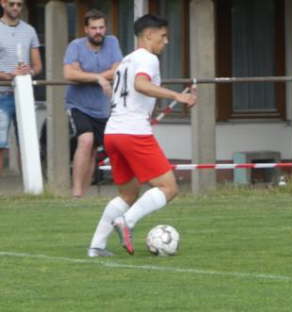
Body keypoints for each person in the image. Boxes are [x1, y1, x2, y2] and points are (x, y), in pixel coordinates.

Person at [87, 14, 196, 257]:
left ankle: (97, 246)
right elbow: (141, 84)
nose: (166, 42)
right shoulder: (148, 58)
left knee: (127, 193)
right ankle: (127, 222)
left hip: (113, 132)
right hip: (133, 132)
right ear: (148, 35)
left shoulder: (126, 60)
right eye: (163, 36)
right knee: (169, 188)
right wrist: (176, 96)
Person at [63, 9, 122, 198]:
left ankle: (84, 196)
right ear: (86, 29)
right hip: (78, 105)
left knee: (93, 150)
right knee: (85, 140)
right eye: (94, 28)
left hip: (102, 109)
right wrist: (99, 78)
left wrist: (86, 76)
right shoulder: (76, 46)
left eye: (101, 27)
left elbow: (117, 70)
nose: (98, 31)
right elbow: (69, 75)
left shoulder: (112, 42)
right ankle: (76, 194)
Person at [0, 0, 42, 175]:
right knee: (0, 144)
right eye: (12, 4)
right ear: (3, 4)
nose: (16, 8)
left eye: (19, 4)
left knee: (28, 142)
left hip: (23, 94)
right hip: (2, 94)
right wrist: (10, 75)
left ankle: (31, 189)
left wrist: (28, 71)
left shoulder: (29, 30)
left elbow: (38, 66)